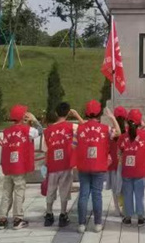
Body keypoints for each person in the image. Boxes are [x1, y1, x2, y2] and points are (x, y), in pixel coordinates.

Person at [75, 100, 121, 234]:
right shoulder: (105, 129)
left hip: (83, 166)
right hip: (99, 166)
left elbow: (74, 145)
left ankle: (81, 224)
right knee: (97, 195)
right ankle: (97, 224)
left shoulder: (79, 129)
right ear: (99, 113)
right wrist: (112, 118)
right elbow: (118, 132)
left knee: (83, 194)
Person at [0, 105, 42, 230]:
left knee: (6, 192)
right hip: (19, 167)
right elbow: (40, 131)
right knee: (19, 191)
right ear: (23, 117)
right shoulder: (27, 130)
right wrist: (34, 120)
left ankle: (2, 218)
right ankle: (18, 219)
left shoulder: (7, 131)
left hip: (8, 166)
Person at [43, 102, 83, 228]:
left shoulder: (47, 131)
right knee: (65, 189)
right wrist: (77, 115)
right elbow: (86, 128)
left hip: (53, 164)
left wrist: (46, 166)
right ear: (68, 113)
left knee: (51, 189)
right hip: (66, 163)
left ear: (56, 113)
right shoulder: (73, 127)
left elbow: (45, 150)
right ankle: (63, 214)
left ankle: (49, 214)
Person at [119, 108, 145, 226]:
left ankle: (128, 218)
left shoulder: (123, 136)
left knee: (127, 194)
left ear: (127, 121)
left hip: (127, 170)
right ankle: (140, 218)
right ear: (140, 122)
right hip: (140, 170)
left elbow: (120, 150)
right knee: (139, 195)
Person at [106, 105, 127, 217]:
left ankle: (117, 209)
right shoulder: (128, 131)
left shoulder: (111, 131)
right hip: (125, 165)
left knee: (115, 189)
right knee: (124, 187)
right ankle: (124, 208)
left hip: (113, 164)